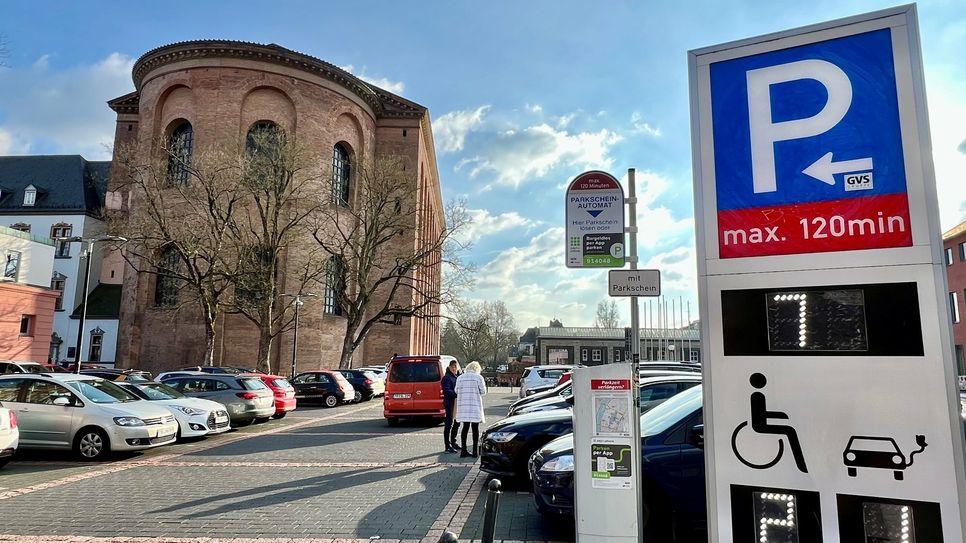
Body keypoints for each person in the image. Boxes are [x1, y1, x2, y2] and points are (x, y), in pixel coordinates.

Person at [749, 372, 808, 473]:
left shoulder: (759, 395)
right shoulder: (757, 395)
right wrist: (780, 415)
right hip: (760, 426)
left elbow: (763, 413)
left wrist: (781, 415)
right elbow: (760, 414)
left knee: (790, 430)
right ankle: (801, 465)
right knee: (790, 431)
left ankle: (802, 464)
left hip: (763, 423)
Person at [455, 361, 487, 458]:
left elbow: (456, 390)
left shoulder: (460, 378)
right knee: (475, 429)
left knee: (465, 427)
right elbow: (483, 391)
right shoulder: (478, 378)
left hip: (463, 405)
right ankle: (474, 451)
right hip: (474, 405)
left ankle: (463, 450)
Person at [442, 359, 461, 453]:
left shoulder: (456, 377)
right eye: (453, 367)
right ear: (449, 367)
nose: (454, 368)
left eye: (455, 367)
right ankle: (447, 445)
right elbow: (446, 390)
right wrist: (457, 394)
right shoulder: (447, 377)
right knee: (448, 424)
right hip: (450, 403)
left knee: (457, 423)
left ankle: (453, 442)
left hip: (456, 403)